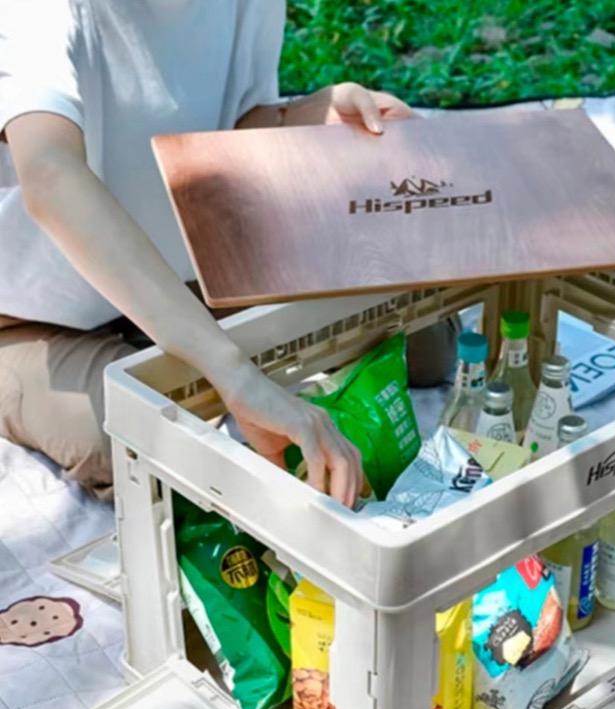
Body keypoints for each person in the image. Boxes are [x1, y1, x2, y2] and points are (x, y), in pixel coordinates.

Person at [0, 1, 458, 508]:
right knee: (142, 443)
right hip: (31, 317)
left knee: (425, 343)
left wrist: (305, 117)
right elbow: (49, 174)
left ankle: (177, 341)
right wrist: (234, 373)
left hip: (184, 268)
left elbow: (230, 120)